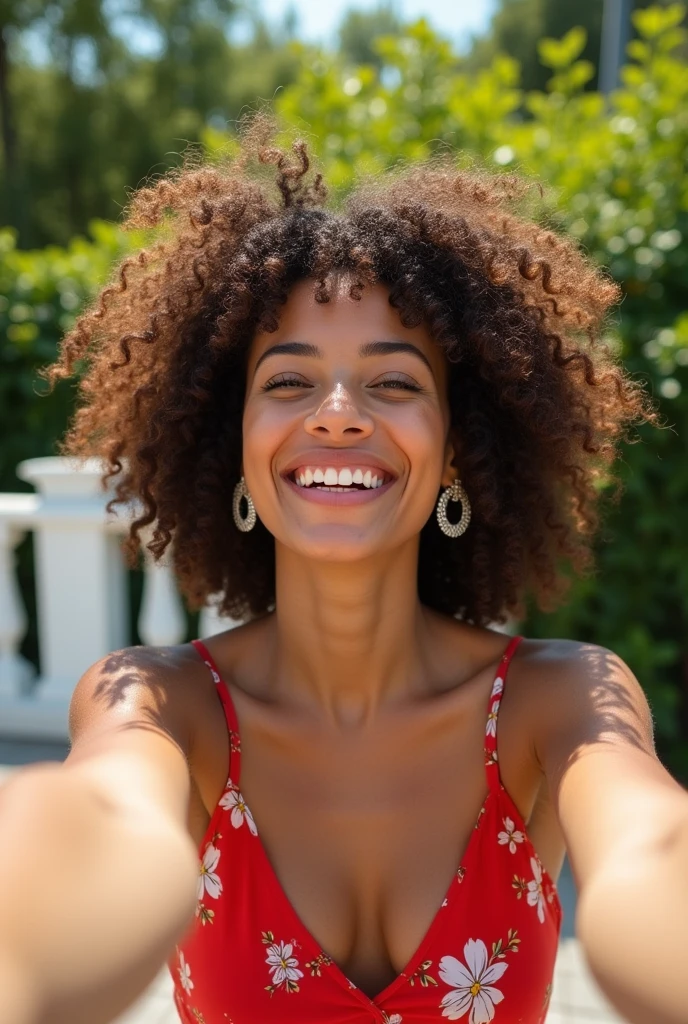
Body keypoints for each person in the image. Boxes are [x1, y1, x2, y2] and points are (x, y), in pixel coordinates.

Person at [0, 115, 686, 1024]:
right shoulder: (158, 705)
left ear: (455, 453)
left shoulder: (557, 702)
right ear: (234, 444)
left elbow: (651, 845)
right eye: (287, 382)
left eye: (394, 383)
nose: (336, 414)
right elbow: (104, 821)